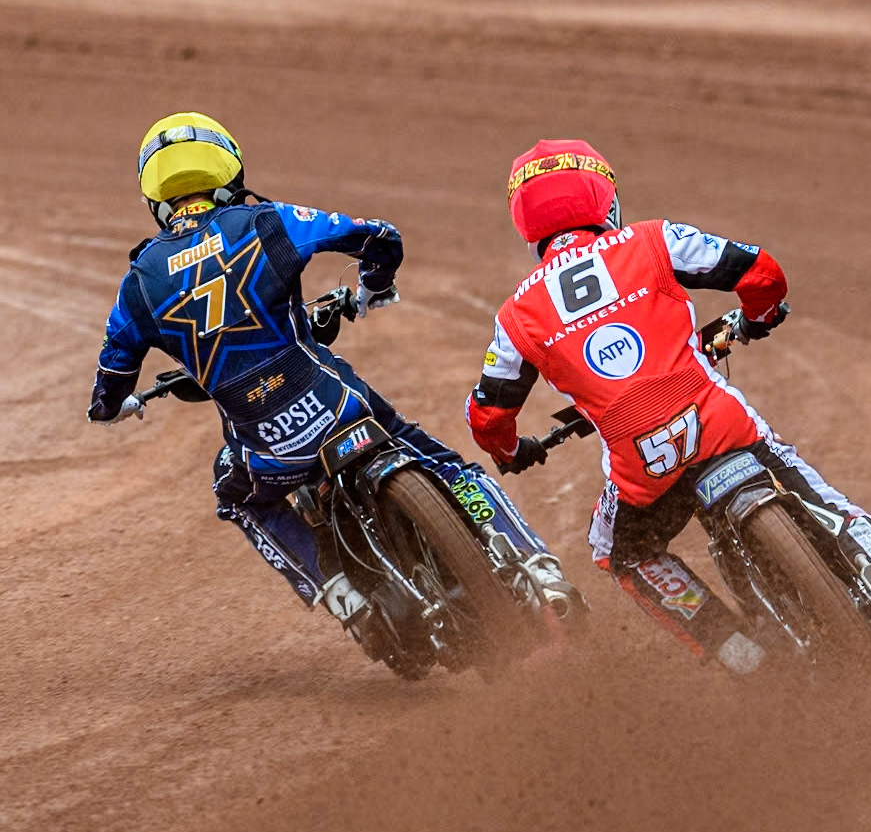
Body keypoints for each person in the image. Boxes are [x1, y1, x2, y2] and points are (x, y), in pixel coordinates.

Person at [465, 139, 871, 679]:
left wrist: (515, 450)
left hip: (644, 468)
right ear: (605, 199)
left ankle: (745, 658)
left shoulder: (516, 316)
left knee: (616, 551)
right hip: (721, 426)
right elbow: (763, 273)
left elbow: (487, 418)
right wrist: (759, 317)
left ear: (527, 225)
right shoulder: (653, 239)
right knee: (828, 505)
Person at [87, 113, 572, 665]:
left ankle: (341, 595)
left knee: (235, 493)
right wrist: (370, 290)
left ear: (156, 197)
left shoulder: (139, 283)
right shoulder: (267, 221)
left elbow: (108, 383)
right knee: (447, 466)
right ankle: (537, 566)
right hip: (334, 404)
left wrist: (118, 404)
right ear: (228, 168)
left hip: (269, 450)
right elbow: (378, 237)